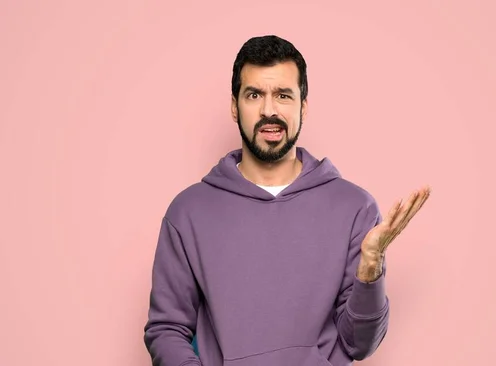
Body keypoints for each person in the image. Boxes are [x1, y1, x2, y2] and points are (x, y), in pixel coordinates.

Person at [143, 34, 431, 366]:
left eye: (283, 95)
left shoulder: (355, 208)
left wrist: (370, 268)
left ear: (302, 106)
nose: (269, 110)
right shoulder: (189, 212)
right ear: (235, 107)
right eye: (254, 95)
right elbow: (166, 329)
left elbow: (360, 344)